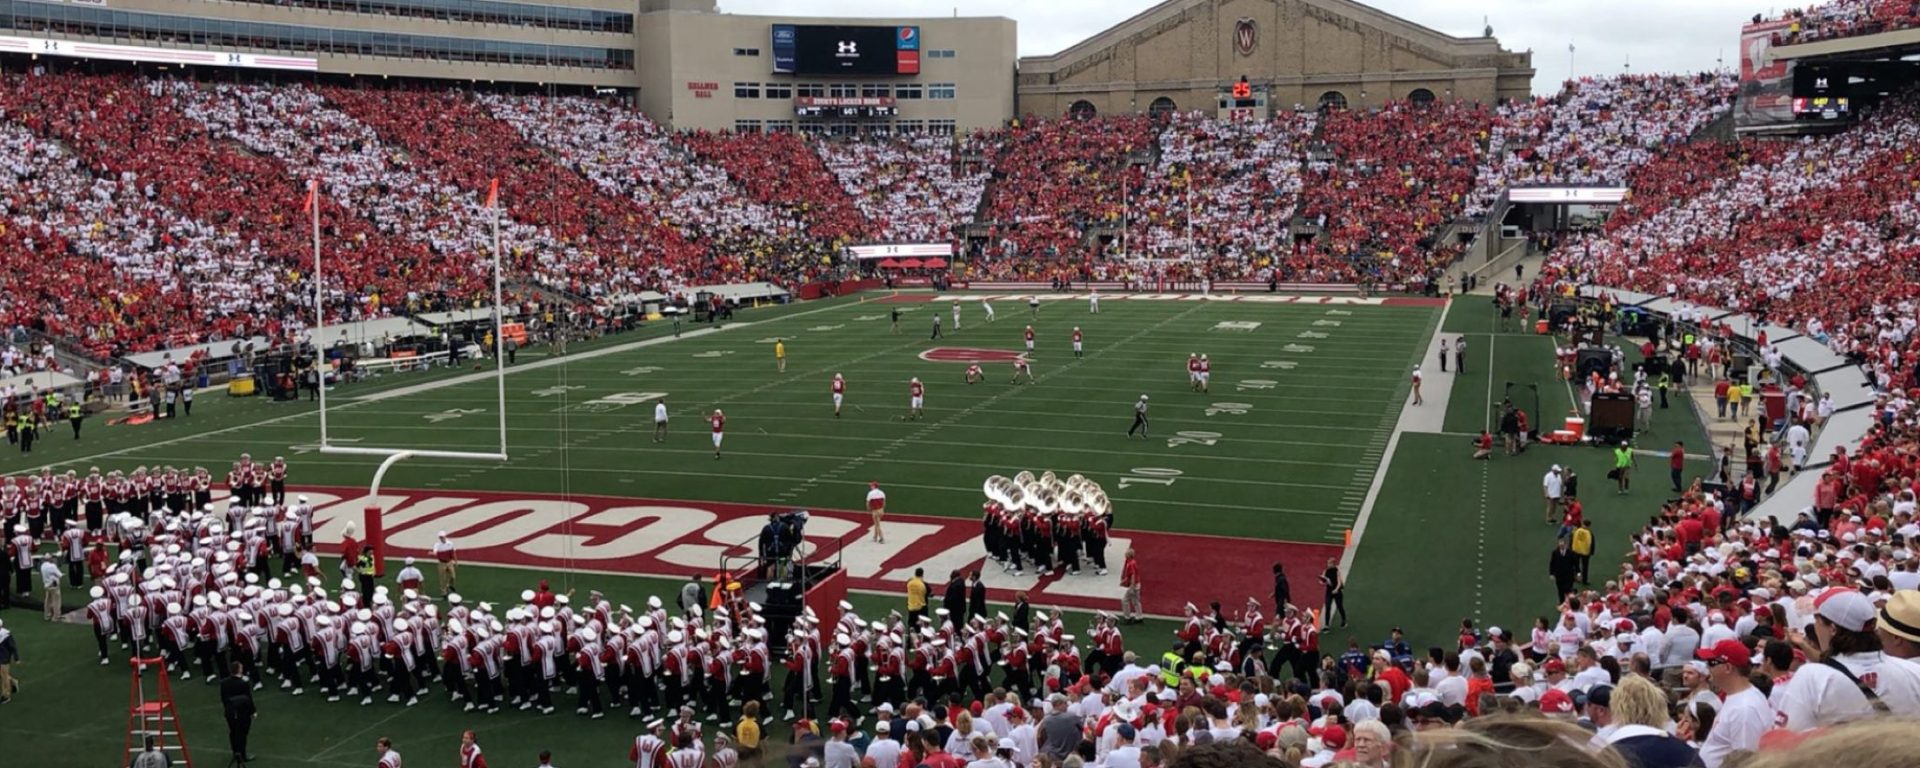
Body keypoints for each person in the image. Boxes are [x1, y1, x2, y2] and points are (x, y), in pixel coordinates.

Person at [1774, 587, 1920, 729]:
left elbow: (1787, 741)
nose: (1815, 627)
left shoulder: (1811, 677)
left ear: (1833, 629)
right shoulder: (1914, 671)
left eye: (1816, 620)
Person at [1695, 640, 1768, 768]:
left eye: (1711, 663)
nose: (1707, 668)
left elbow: (1745, 761)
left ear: (1728, 667)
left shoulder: (1745, 709)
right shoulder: (1737, 697)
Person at [222, 661, 257, 763]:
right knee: (242, 734)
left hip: (230, 713)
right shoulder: (243, 683)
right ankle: (242, 754)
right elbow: (248, 698)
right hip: (242, 714)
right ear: (239, 670)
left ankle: (235, 753)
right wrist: (253, 711)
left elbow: (224, 699)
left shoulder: (224, 683)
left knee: (233, 733)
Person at [1320, 558, 1347, 628]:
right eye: (1328, 563)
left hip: (1337, 591)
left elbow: (1339, 582)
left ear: (1333, 564)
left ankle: (1344, 620)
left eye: (1329, 563)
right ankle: (1326, 625)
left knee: (1339, 606)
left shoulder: (1337, 571)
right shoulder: (1326, 571)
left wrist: (1336, 589)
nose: (1328, 565)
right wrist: (1323, 580)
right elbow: (1322, 581)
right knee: (1328, 606)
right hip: (1329, 591)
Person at [1120, 549, 1143, 624]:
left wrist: (1131, 587)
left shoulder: (1130, 564)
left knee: (1125, 600)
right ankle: (1139, 617)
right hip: (1137, 584)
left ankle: (1127, 617)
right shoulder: (1133, 562)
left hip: (1134, 585)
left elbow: (1133, 575)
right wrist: (1124, 581)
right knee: (1136, 601)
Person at [432, 532, 458, 597]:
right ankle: (444, 592)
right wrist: (434, 553)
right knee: (442, 578)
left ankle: (449, 585)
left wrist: (456, 561)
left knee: (453, 576)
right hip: (442, 563)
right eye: (441, 537)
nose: (442, 538)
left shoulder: (450, 543)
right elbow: (435, 552)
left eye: (443, 537)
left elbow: (453, 553)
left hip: (449, 562)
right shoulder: (437, 545)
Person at [0, 618, 16, 703]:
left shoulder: (5, 634)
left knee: (4, 676)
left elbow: (12, 646)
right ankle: (12, 681)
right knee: (3, 674)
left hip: (4, 658)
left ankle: (6, 695)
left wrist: (16, 657)